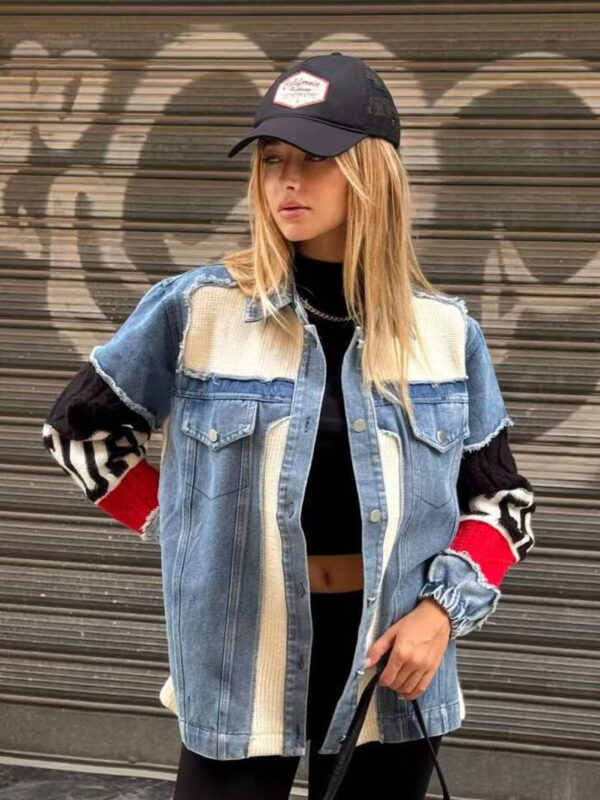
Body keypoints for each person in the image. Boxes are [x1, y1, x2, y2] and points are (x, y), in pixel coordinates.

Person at [41, 53, 536, 800]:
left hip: (390, 666)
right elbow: (78, 434)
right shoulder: (199, 310)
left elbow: (503, 503)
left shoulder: (442, 333)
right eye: (273, 159)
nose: (287, 181)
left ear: (371, 173)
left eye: (315, 159)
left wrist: (442, 613)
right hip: (238, 657)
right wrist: (181, 526)